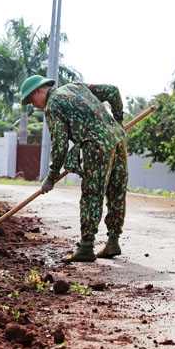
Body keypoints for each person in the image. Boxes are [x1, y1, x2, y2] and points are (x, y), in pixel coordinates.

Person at [20, 75, 128, 262]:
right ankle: (113, 240)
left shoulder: (53, 106)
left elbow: (59, 146)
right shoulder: (76, 87)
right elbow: (113, 91)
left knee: (92, 194)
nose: (33, 105)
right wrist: (118, 120)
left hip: (96, 146)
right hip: (117, 139)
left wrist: (51, 177)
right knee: (116, 190)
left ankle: (86, 247)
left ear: (40, 90)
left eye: (31, 99)